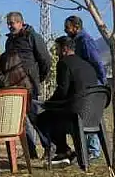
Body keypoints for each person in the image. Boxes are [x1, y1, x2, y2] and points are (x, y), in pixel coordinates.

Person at [37, 36, 100, 165]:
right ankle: (64, 152)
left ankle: (64, 151)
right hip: (94, 115)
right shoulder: (87, 65)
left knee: (42, 119)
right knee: (54, 115)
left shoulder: (64, 63)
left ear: (64, 49)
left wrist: (48, 103)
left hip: (76, 116)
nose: (56, 52)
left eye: (57, 49)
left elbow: (62, 91)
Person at [3, 11, 54, 158]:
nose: (10, 26)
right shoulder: (9, 41)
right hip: (13, 86)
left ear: (20, 22)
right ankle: (30, 151)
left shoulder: (32, 37)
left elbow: (45, 60)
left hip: (29, 86)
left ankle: (49, 147)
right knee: (20, 120)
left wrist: (38, 78)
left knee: (36, 118)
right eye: (8, 24)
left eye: (12, 23)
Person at [64, 15, 107, 161]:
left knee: (91, 116)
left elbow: (96, 61)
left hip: (92, 84)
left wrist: (101, 81)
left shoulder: (85, 41)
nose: (65, 30)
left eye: (68, 27)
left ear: (76, 27)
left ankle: (93, 150)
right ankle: (87, 149)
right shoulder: (77, 41)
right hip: (85, 83)